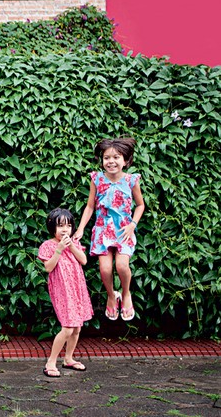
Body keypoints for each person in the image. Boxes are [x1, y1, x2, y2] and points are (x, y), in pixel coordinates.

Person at [74, 137, 145, 322]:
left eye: (116, 157)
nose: (111, 161)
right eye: (107, 158)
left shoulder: (131, 180)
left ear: (126, 160)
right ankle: (112, 296)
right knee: (105, 270)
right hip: (102, 231)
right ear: (102, 160)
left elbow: (140, 205)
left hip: (123, 231)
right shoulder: (96, 179)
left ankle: (126, 294)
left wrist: (132, 225)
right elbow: (90, 207)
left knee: (122, 265)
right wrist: (81, 228)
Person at [38, 207, 93, 378]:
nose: (65, 229)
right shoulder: (48, 245)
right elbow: (48, 267)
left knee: (76, 327)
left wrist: (71, 247)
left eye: (68, 226)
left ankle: (68, 358)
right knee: (68, 327)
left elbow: (83, 260)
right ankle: (51, 362)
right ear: (52, 227)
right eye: (60, 225)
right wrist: (60, 248)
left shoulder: (74, 242)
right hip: (62, 289)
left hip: (76, 287)